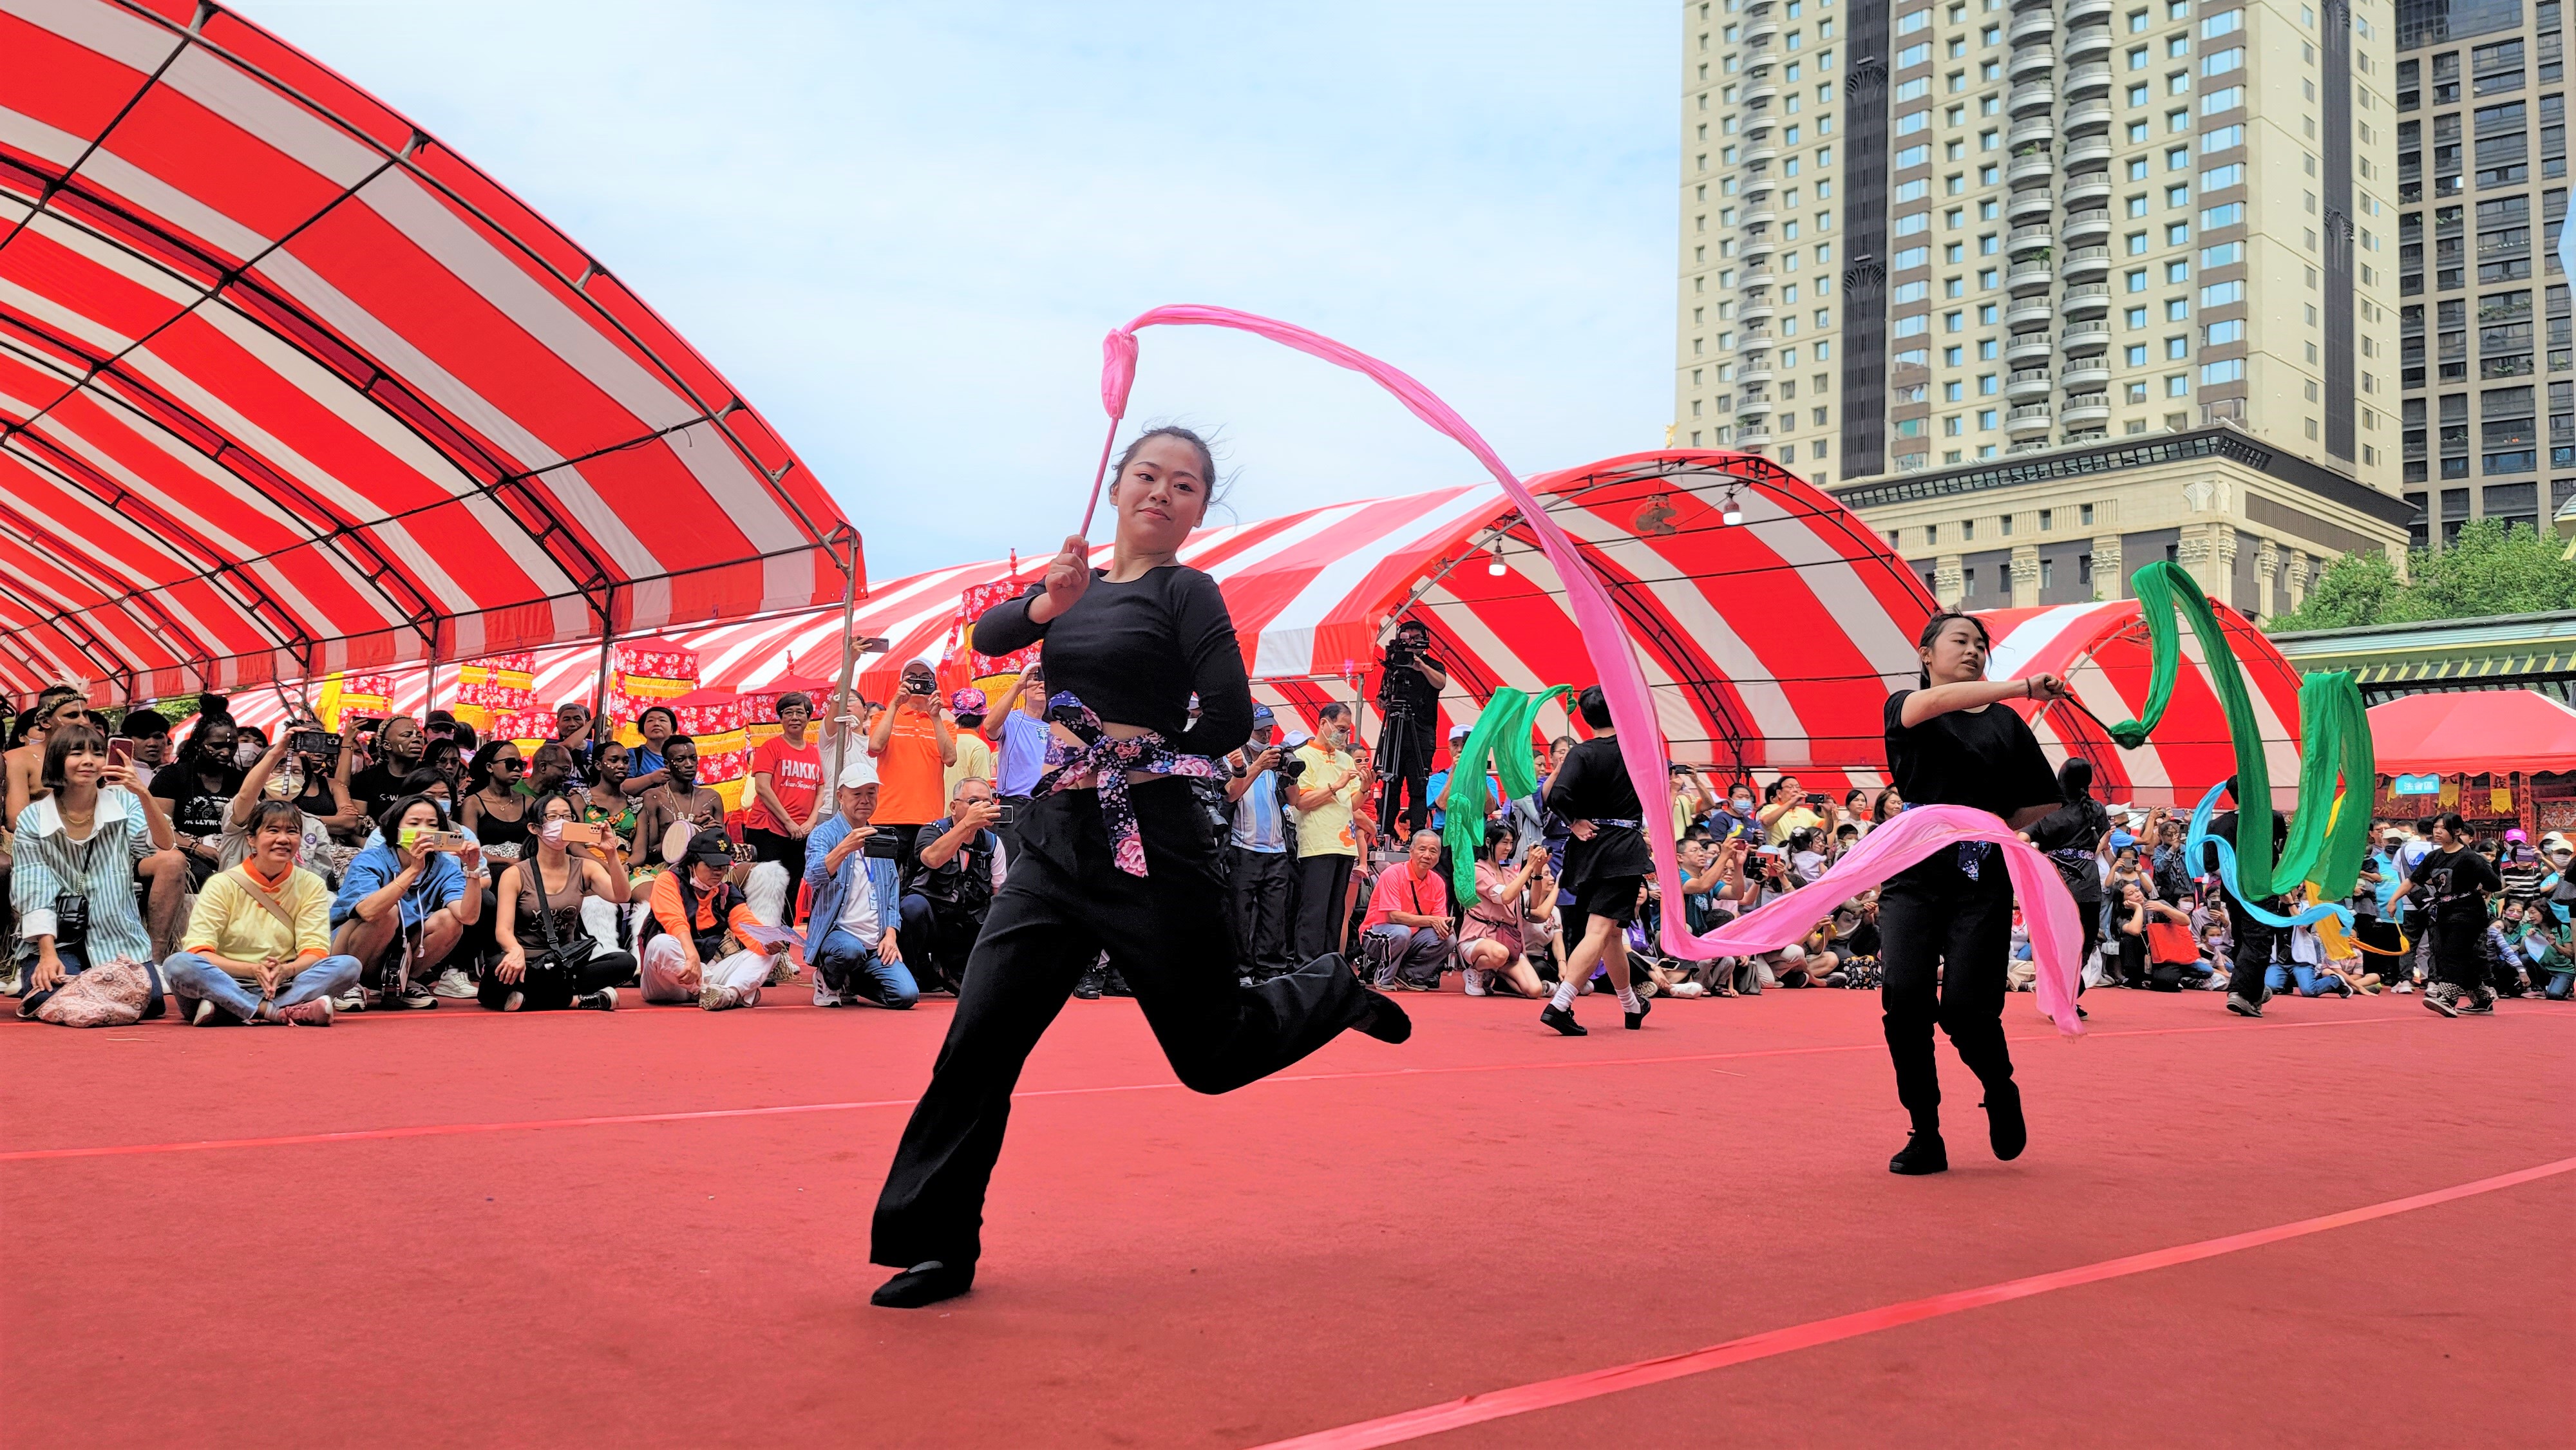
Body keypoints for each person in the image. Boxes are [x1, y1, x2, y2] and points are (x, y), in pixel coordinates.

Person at [868, 425, 1406, 1311]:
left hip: (1152, 842)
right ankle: (936, 1248)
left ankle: (1328, 988)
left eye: (1185, 485)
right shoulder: (1072, 585)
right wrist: (1050, 601)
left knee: (1212, 1055)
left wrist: (1149, 758)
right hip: (1051, 840)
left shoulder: (1188, 590)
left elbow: (1231, 713)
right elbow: (994, 636)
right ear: (1117, 486)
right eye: (1148, 476)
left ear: (1198, 510)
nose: (1163, 492)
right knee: (979, 1041)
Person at [1877, 611, 2068, 1175]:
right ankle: (1925, 1133)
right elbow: (1925, 708)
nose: (1974, 650)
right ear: (1925, 654)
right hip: (1911, 872)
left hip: (1979, 876)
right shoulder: (1906, 705)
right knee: (1904, 1000)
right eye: (1960, 641)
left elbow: (2041, 800)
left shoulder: (2006, 724)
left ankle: (1999, 1087)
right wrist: (2025, 686)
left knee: (1966, 1008)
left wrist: (1989, 827)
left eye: (1982, 645)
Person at [12, 719, 176, 1020]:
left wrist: (142, 792)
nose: (89, 761)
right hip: (57, 939)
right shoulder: (32, 818)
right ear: (58, 760)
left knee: (152, 1000)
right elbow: (32, 887)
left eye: (97, 753)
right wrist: (47, 955)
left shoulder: (125, 803)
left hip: (117, 935)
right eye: (76, 753)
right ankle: (86, 991)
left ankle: (86, 996)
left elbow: (163, 845)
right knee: (47, 994)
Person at [164, 799, 361, 1026]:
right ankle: (274, 1011)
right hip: (223, 979)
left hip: (283, 981)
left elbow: (315, 949)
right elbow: (199, 950)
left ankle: (230, 1009)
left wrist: (287, 970)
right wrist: (252, 970)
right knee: (177, 964)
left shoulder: (311, 884)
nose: (283, 839)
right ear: (251, 839)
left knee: (349, 966)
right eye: (273, 831)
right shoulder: (222, 883)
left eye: (292, 832)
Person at [1537, 686, 1656, 1035]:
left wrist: (1573, 822)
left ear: (1585, 718)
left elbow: (1557, 794)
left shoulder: (1582, 753)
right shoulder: (1637, 751)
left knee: (1613, 934)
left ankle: (1631, 1006)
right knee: (1601, 930)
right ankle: (1560, 1005)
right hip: (1622, 848)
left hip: (1588, 847)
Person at [329, 793, 483, 1010]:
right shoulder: (370, 860)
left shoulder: (443, 866)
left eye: (432, 824)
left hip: (400, 953)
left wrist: (473, 869)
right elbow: (368, 911)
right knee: (387, 912)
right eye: (414, 823)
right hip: (349, 950)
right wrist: (413, 870)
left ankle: (403, 981)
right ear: (396, 827)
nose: (424, 830)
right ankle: (346, 984)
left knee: (450, 920)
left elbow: (468, 916)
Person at [482, 791, 631, 1012]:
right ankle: (575, 1000)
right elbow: (503, 930)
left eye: (567, 816)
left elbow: (622, 896)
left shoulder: (585, 867)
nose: (561, 823)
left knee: (625, 963)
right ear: (535, 828)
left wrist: (610, 854)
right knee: (498, 968)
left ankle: (531, 1000)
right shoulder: (515, 874)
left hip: (566, 961)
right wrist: (515, 951)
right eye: (553, 817)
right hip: (527, 963)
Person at [804, 757, 916, 1010]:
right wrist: (844, 847)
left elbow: (891, 892)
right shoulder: (824, 834)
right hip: (838, 935)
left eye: (871, 793)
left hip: (875, 941)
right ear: (841, 797)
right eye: (856, 794)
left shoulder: (882, 837)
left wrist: (890, 934)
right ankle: (828, 978)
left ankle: (851, 980)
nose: (865, 800)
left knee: (907, 996)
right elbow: (813, 876)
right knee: (849, 950)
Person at [639, 827, 782, 1010]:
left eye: (722, 867)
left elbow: (747, 926)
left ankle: (728, 994)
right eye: (711, 866)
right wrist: (691, 957)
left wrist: (767, 942)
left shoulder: (726, 892)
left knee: (768, 953)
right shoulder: (669, 880)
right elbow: (675, 922)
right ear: (692, 864)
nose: (718, 872)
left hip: (705, 973)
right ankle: (731, 991)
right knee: (661, 944)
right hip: (668, 980)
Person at [899, 777, 1006, 995]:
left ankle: (947, 970)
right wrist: (967, 825)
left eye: (987, 801)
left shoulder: (993, 843)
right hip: (930, 920)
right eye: (974, 801)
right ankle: (911, 972)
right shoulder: (932, 831)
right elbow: (933, 859)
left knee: (979, 990)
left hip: (964, 926)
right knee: (912, 907)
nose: (981, 808)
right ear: (954, 806)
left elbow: (999, 895)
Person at [2398, 812, 2506, 1017]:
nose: (2437, 831)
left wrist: (2477, 887)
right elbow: (2414, 879)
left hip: (2468, 912)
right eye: (2436, 827)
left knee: (2453, 953)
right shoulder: (2435, 856)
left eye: (2443, 828)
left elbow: (2494, 883)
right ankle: (2482, 1000)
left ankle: (2447, 998)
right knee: (2449, 954)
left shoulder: (2470, 858)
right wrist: (2394, 900)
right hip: (2443, 912)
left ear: (2456, 832)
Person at [2204, 777, 2293, 1020]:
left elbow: (2210, 864)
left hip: (2234, 890)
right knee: (2259, 940)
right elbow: (2282, 851)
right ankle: (2241, 992)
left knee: (2244, 938)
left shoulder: (2217, 825)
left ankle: (2254, 991)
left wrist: (2235, 879)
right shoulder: (2271, 819)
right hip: (2261, 889)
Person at [2022, 757, 2112, 995]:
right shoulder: (2096, 809)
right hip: (2087, 881)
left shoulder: (2047, 811)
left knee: (2057, 939)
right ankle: (2069, 990)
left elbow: (2023, 838)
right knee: (2085, 939)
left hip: (2054, 881)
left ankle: (2063, 990)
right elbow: (2101, 840)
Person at [1221, 704, 1297, 981]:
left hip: (1276, 848)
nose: (1266, 735)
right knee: (1240, 914)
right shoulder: (1234, 756)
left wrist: (1290, 773)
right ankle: (1242, 970)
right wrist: (1255, 766)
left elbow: (1294, 799)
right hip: (1243, 846)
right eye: (1261, 730)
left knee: (1275, 915)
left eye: (1270, 729)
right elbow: (1231, 794)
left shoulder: (1278, 758)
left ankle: (1271, 970)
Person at [870, 663, 957, 889]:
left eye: (925, 677)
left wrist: (935, 716)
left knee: (918, 887)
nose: (918, 682)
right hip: (886, 816)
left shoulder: (945, 723)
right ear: (901, 683)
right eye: (912, 677)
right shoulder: (883, 716)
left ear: (935, 684)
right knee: (877, 885)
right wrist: (894, 704)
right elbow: (876, 745)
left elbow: (950, 758)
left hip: (928, 819)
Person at [1290, 702, 1365, 959]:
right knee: (1314, 910)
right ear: (1324, 723)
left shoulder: (1345, 759)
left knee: (1336, 913)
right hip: (1317, 843)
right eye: (1341, 728)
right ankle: (1306, 966)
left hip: (1344, 843)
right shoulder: (1303, 756)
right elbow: (1302, 801)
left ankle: (1329, 965)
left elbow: (1351, 804)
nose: (1343, 735)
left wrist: (1364, 788)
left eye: (1347, 730)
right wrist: (1336, 785)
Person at [743, 690, 829, 884]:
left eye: (800, 712)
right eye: (788, 713)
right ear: (781, 719)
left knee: (797, 886)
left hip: (802, 832)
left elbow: (821, 789)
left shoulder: (814, 753)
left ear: (808, 717)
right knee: (767, 887)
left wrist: (811, 822)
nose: (794, 718)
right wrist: (788, 822)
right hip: (769, 829)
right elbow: (763, 788)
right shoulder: (770, 747)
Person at [1373, 617, 1448, 838]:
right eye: (1408, 638)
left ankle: (1417, 834)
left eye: (1417, 638)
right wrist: (1384, 701)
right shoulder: (1394, 666)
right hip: (1395, 733)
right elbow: (1381, 698)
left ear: (1426, 640)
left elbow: (1440, 683)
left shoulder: (1433, 665)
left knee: (1418, 786)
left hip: (1421, 733)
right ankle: (1385, 832)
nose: (1413, 642)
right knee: (1390, 784)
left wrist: (1420, 665)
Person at [1459, 825, 1553, 999]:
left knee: (1535, 990)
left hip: (1507, 942)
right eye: (1504, 842)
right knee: (1500, 953)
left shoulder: (1510, 874)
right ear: (1488, 842)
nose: (1509, 848)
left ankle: (1496, 972)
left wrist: (1537, 870)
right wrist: (1528, 867)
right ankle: (1475, 971)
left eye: (1511, 843)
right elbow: (1505, 896)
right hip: (1478, 939)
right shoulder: (1476, 870)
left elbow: (1533, 903)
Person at [153, 715, 245, 888]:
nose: (226, 753)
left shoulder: (242, 781)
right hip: (185, 856)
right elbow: (160, 830)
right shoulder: (171, 777)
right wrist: (198, 848)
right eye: (217, 746)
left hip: (232, 855)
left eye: (232, 746)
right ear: (197, 744)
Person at [1360, 828, 1453, 990]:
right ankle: (1384, 977)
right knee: (1402, 932)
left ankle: (1408, 975)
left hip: (1411, 937)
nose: (1427, 855)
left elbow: (1440, 920)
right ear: (1411, 851)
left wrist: (1445, 927)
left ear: (1438, 857)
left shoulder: (1437, 882)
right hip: (1376, 934)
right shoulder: (1393, 873)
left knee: (1448, 939)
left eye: (1433, 851)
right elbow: (1393, 917)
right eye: (1422, 849)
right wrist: (1433, 920)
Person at [628, 735, 727, 869]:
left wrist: (715, 835)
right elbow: (650, 853)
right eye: (681, 759)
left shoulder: (712, 797)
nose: (689, 764)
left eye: (693, 758)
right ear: (667, 764)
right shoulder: (653, 798)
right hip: (666, 868)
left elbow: (723, 846)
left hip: (709, 868)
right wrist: (692, 830)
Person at [981, 667, 1050, 855]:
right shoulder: (1011, 720)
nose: (1041, 684)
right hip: (1016, 808)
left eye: (1046, 678)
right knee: (1011, 871)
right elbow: (989, 726)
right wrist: (1019, 684)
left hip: (1050, 809)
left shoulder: (1059, 726)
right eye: (1035, 679)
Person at [348, 714, 424, 814]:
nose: (416, 740)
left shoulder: (434, 778)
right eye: (407, 735)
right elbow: (358, 824)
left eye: (420, 736)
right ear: (387, 745)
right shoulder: (364, 781)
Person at [943, 690, 998, 802]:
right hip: (965, 813)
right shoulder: (979, 747)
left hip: (939, 810)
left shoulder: (944, 741)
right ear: (984, 716)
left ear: (956, 715)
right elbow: (981, 788)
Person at [621, 704, 680, 797]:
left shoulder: (681, 757)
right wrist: (651, 778)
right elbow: (621, 786)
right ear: (643, 729)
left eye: (662, 720)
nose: (656, 724)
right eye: (650, 720)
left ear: (672, 730)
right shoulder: (633, 755)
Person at [118, 708, 173, 792]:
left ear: (167, 739)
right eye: (143, 737)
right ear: (128, 740)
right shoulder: (118, 774)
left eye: (158, 737)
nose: (152, 743)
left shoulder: (180, 773)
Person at [1758, 775, 1821, 846]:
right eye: (1790, 787)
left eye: (1797, 787)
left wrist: (1829, 813)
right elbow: (1766, 822)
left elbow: (1823, 830)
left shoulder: (1805, 812)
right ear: (1779, 793)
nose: (1795, 790)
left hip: (1802, 854)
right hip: (1780, 854)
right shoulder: (1769, 808)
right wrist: (1791, 803)